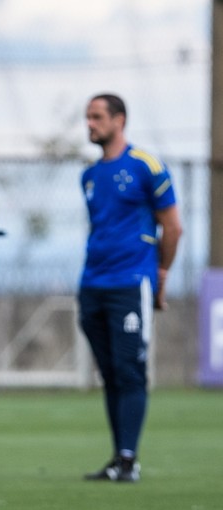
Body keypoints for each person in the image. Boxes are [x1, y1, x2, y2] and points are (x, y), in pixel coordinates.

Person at [79, 93, 183, 483]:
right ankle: (118, 456)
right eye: (87, 118)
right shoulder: (88, 175)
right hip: (92, 284)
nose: (90, 124)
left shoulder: (146, 166)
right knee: (109, 372)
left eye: (97, 117)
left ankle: (128, 458)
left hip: (129, 283)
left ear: (120, 120)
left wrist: (162, 273)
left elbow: (172, 226)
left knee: (129, 369)